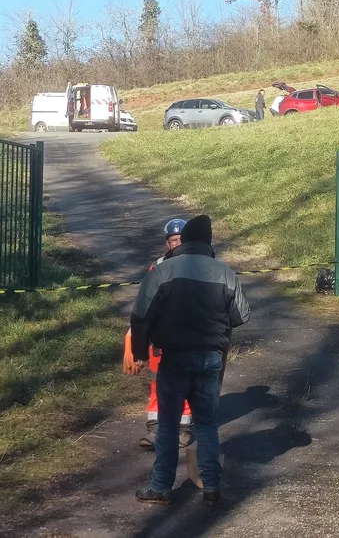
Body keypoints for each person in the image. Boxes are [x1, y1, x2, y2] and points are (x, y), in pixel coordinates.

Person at [129, 215, 250, 507]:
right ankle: (212, 486)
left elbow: (141, 314)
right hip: (210, 358)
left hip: (174, 357)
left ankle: (160, 488)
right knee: (207, 425)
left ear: (184, 241)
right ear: (208, 242)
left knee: (169, 425)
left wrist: (141, 351)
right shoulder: (225, 273)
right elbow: (242, 315)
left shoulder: (164, 270)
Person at [122, 218, 194, 450]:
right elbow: (144, 302)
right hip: (160, 336)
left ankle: (183, 429)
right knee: (158, 380)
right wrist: (134, 332)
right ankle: (155, 426)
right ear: (167, 242)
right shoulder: (157, 267)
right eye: (173, 240)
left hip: (187, 334)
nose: (177, 243)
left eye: (181, 239)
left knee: (184, 381)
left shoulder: (198, 265)